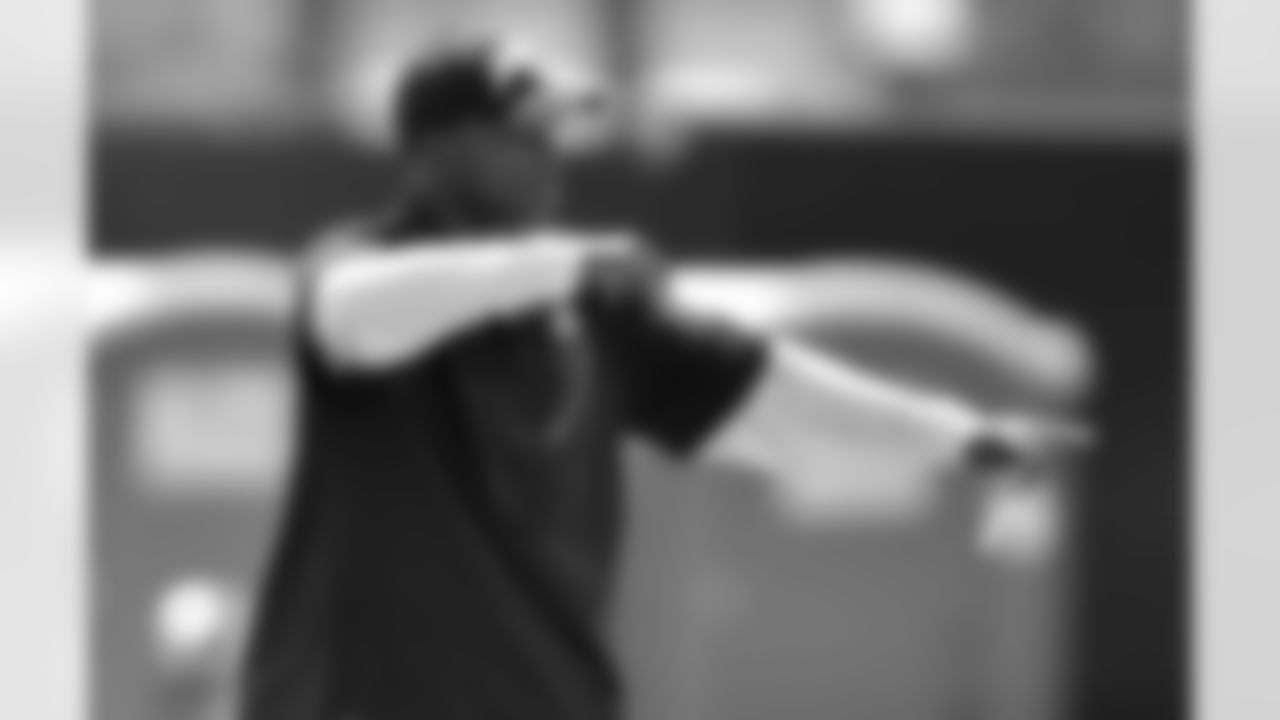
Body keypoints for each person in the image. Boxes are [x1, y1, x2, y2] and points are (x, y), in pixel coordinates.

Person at [237, 39, 1086, 720]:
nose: (550, 156)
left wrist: (958, 438)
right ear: (431, 154)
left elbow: (777, 399)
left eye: (556, 132)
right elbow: (347, 315)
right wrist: (552, 264)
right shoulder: (371, 264)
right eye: (521, 134)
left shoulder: (595, 314)